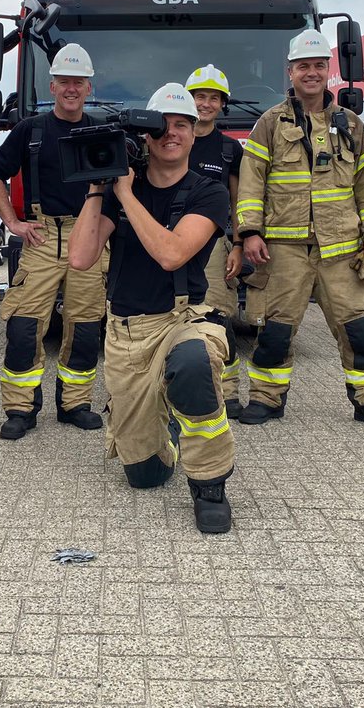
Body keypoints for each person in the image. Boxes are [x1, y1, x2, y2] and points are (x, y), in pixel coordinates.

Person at [69, 82, 236, 533]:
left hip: (183, 321)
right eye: (161, 126)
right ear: (146, 134)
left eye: (182, 125)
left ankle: (210, 485)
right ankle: (168, 430)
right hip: (126, 335)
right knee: (143, 477)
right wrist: (100, 188)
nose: (171, 134)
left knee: (192, 363)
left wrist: (126, 197)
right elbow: (81, 258)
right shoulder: (121, 187)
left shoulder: (209, 192)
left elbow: (172, 254)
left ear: (194, 133)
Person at [236, 29, 364, 431]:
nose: (311, 73)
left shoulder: (351, 124)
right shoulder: (269, 123)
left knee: (358, 327)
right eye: (303, 66)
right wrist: (250, 233)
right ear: (290, 72)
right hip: (285, 249)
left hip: (342, 248)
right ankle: (266, 399)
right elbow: (251, 180)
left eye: (318, 66)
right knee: (276, 329)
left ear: (328, 71)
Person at [0, 43, 106, 440]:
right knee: (23, 326)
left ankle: (75, 404)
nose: (71, 88)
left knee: (86, 326)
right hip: (39, 236)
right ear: (52, 86)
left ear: (89, 87)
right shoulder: (30, 130)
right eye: (64, 82)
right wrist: (12, 222)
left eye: (79, 82)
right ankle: (20, 410)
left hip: (87, 237)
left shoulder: (100, 131)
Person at [184, 64, 245, 418]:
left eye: (213, 98)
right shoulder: (169, 136)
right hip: (169, 243)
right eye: (199, 96)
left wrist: (237, 245)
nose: (205, 104)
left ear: (222, 105)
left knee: (218, 319)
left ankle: (229, 392)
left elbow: (239, 202)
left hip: (213, 247)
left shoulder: (228, 150)